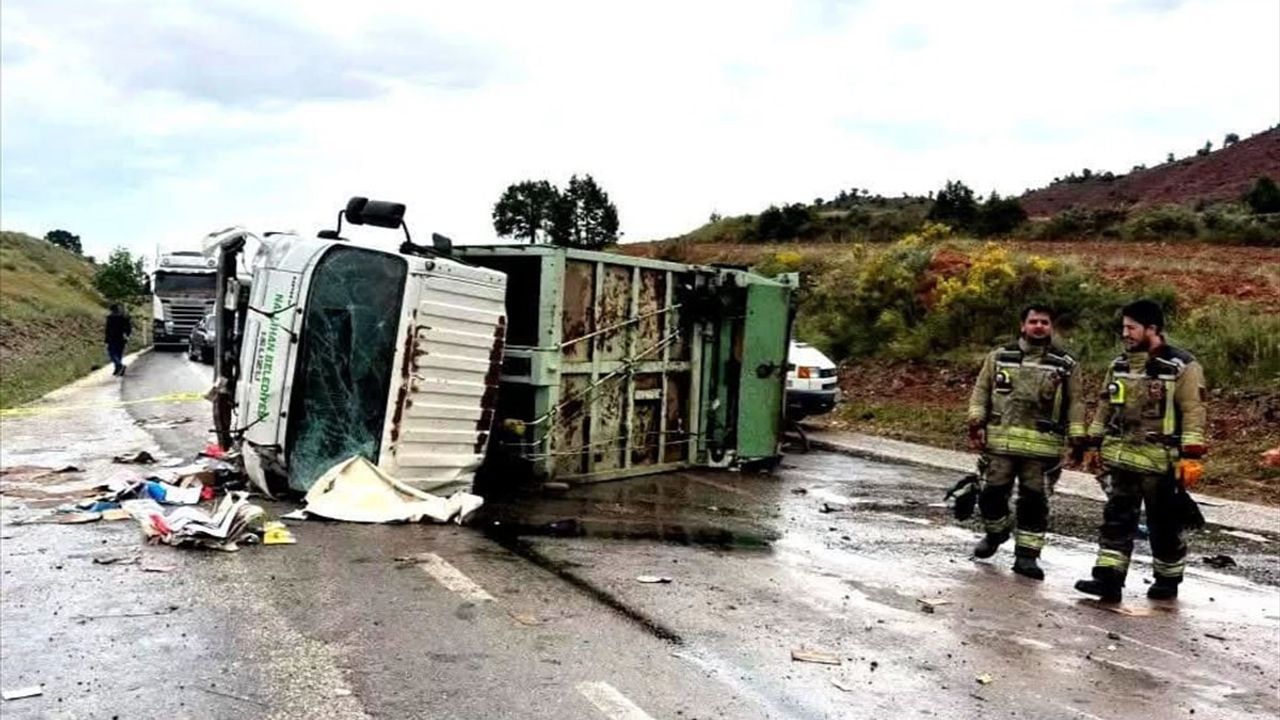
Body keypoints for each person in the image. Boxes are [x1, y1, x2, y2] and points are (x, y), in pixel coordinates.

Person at [1075, 299, 1206, 603]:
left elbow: (1193, 410)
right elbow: (1105, 407)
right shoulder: (1119, 366)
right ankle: (1108, 579)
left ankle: (1168, 580)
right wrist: (1093, 443)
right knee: (1116, 519)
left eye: (1131, 328)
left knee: (1164, 524)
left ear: (1152, 329)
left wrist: (1191, 455)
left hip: (1161, 462)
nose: (1125, 334)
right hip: (1121, 457)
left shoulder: (1182, 366)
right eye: (1124, 328)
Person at [966, 304, 1085, 580]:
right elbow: (981, 390)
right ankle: (996, 532)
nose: (1039, 326)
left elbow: (1076, 402)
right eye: (1034, 321)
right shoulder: (999, 357)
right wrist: (976, 421)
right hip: (1000, 443)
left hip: (1042, 448)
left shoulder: (1065, 364)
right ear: (1023, 326)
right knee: (991, 495)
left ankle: (1027, 557)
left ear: (1051, 327)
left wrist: (1078, 438)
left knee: (1034, 502)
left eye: (1044, 322)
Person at [105, 303, 133, 376]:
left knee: (112, 353)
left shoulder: (110, 318)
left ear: (111, 310)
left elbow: (108, 329)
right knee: (119, 353)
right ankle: (117, 369)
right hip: (122, 338)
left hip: (112, 338)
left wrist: (106, 340)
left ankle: (119, 365)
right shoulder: (124, 317)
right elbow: (129, 328)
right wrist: (127, 335)